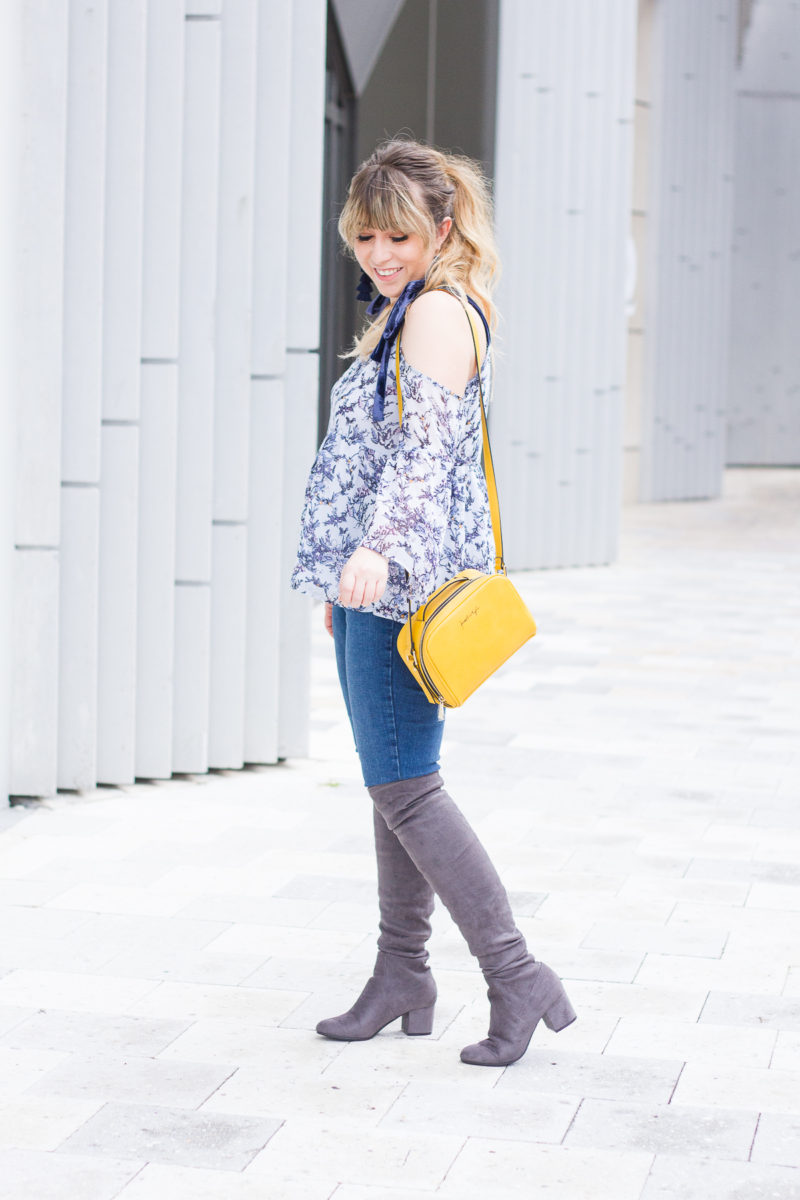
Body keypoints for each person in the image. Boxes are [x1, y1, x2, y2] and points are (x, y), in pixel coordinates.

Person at [291, 138, 575, 1067]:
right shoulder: (412, 307)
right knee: (391, 779)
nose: (380, 254)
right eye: (366, 236)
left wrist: (372, 553)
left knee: (406, 787)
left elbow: (422, 453)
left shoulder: (439, 315)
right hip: (373, 583)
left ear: (442, 229)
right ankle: (403, 973)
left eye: (399, 236)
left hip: (401, 583)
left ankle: (516, 973)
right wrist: (348, 568)